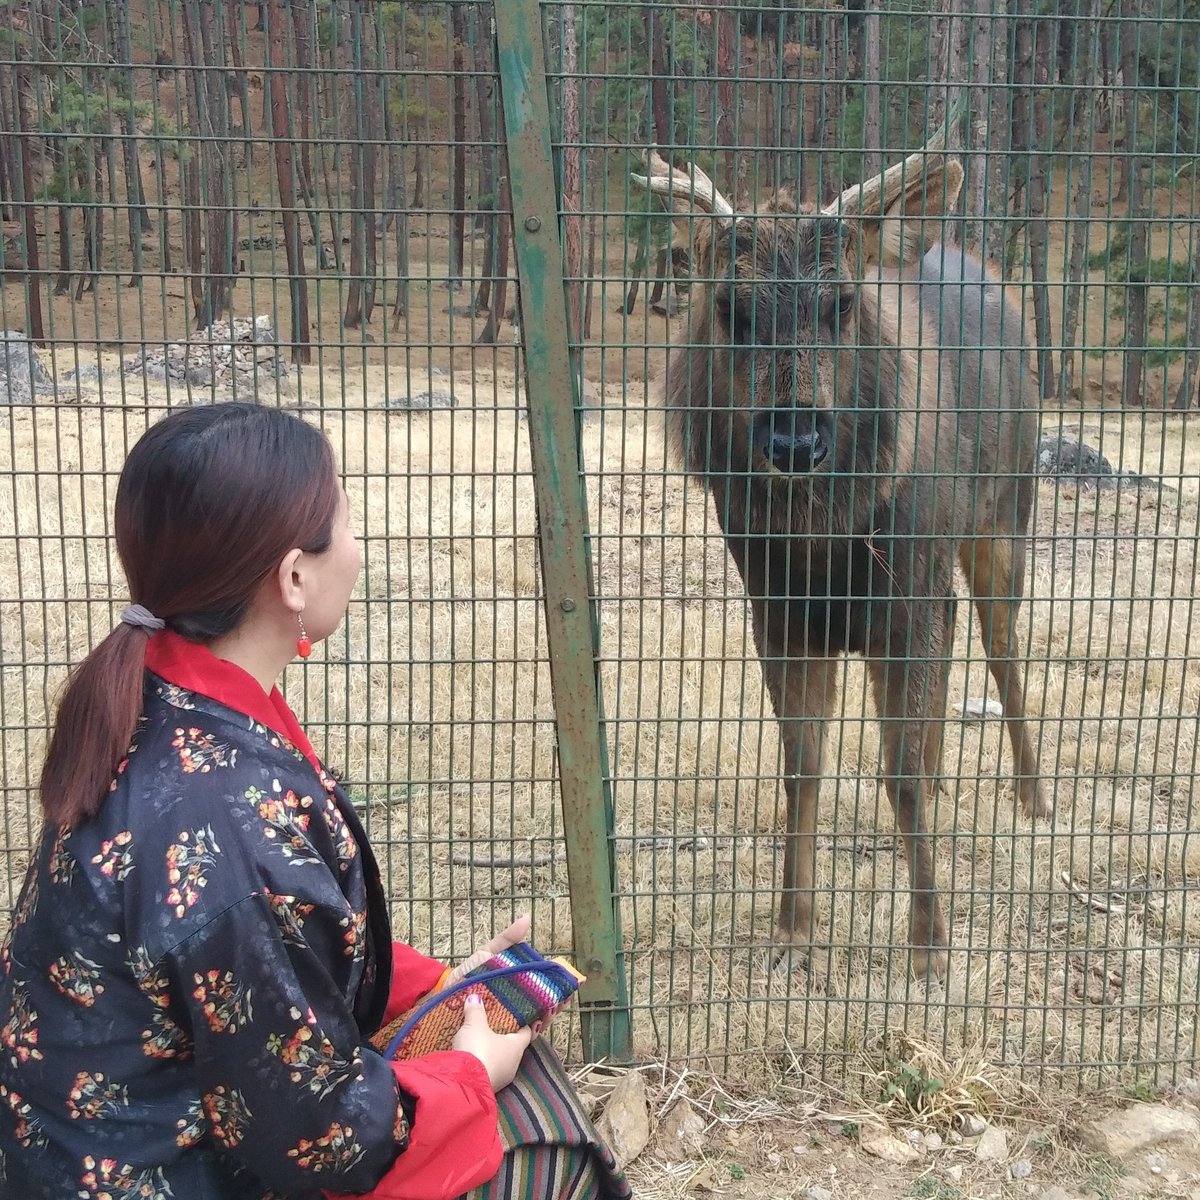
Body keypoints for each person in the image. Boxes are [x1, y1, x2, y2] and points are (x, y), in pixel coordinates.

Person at [0, 402, 632, 1200]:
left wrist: (442, 989)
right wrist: (470, 1068)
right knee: (550, 1157)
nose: (359, 549)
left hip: (100, 1151)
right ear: (294, 576)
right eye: (347, 521)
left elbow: (265, 963)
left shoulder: (164, 703)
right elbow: (324, 1140)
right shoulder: (226, 818)